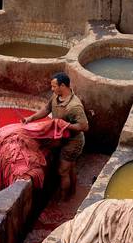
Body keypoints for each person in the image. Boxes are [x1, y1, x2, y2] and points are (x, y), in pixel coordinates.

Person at [23, 72, 90, 202]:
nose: (52, 89)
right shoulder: (56, 96)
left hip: (73, 142)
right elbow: (46, 109)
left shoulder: (74, 106)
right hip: (60, 137)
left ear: (63, 86)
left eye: (54, 86)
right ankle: (72, 191)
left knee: (63, 171)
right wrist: (30, 118)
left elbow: (84, 126)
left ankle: (63, 199)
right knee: (70, 167)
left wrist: (65, 125)